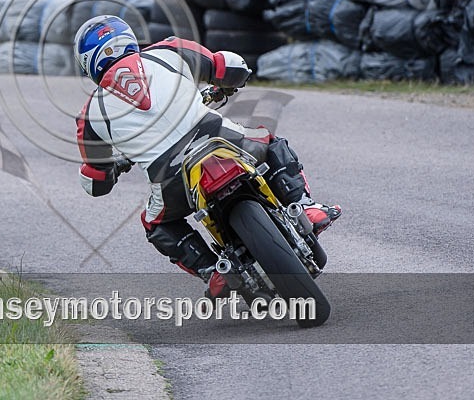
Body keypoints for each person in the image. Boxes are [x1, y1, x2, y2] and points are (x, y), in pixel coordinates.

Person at [74, 15, 341, 298]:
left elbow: (96, 181)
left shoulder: (89, 115)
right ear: (128, 38)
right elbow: (228, 66)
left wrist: (112, 169)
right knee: (270, 143)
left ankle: (213, 270)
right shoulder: (170, 50)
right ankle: (304, 205)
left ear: (89, 62)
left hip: (170, 178)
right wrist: (227, 85)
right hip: (220, 137)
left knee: (156, 224)